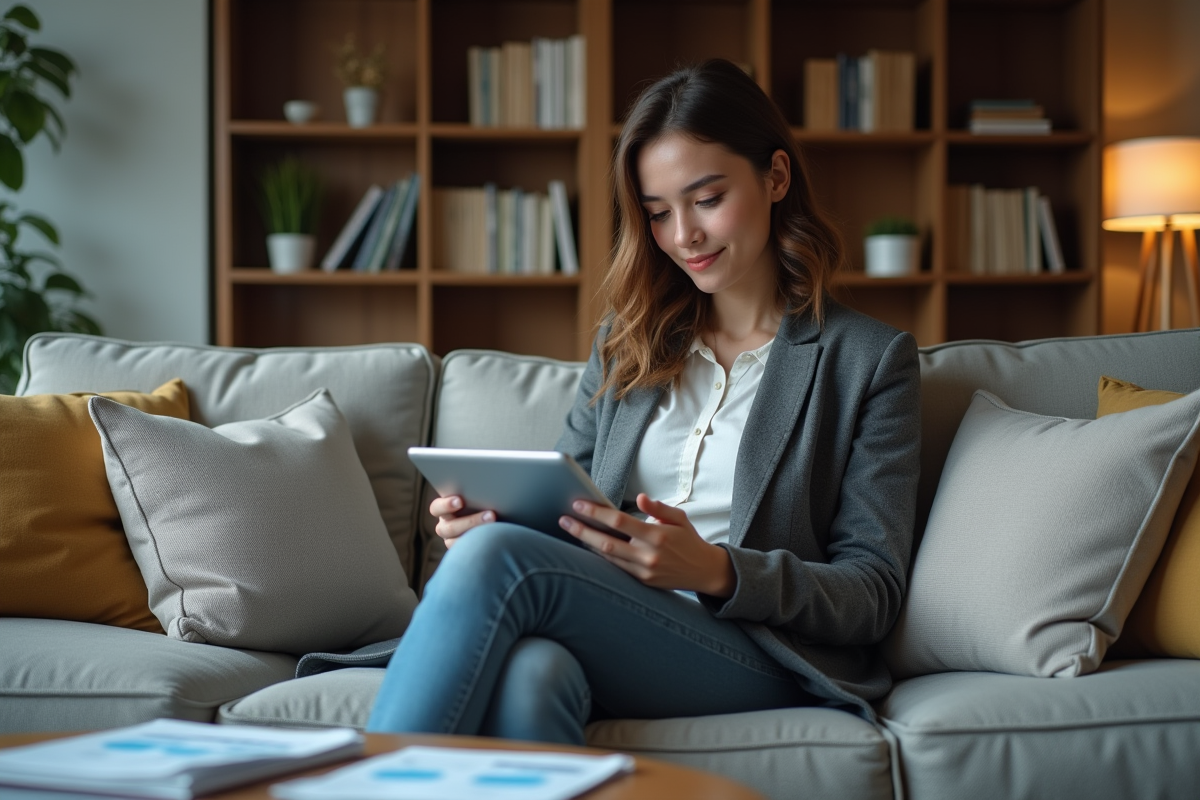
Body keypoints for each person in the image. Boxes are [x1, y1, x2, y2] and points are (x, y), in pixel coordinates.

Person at [367, 59, 920, 744]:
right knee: (533, 674)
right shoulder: (626, 343)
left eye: (707, 199)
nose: (683, 235)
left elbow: (872, 592)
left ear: (776, 177)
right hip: (612, 621)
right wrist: (485, 523)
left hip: (757, 648)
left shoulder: (868, 361)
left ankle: (366, 780)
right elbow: (560, 508)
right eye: (658, 213)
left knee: (496, 561)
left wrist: (717, 570)